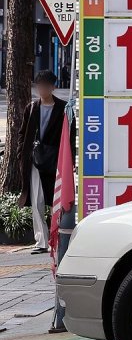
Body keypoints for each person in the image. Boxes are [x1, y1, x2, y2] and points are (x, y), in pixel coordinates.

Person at [19, 70, 75, 254]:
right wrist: (22, 152)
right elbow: (23, 133)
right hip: (35, 159)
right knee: (36, 201)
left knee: (55, 200)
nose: (41, 89)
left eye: (45, 86)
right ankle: (41, 241)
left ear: (53, 87)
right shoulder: (32, 107)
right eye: (39, 86)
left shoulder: (63, 108)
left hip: (55, 159)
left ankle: (57, 238)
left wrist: (70, 159)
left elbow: (70, 136)